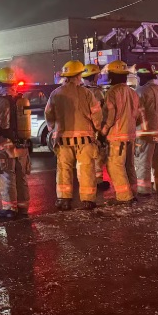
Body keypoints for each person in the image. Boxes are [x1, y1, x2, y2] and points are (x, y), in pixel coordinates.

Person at [45, 60, 103, 211]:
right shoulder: (86, 93)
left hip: (63, 139)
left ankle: (64, 199)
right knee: (86, 169)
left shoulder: (56, 93)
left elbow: (48, 114)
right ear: (78, 75)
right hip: (85, 140)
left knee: (64, 169)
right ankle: (88, 200)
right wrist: (97, 129)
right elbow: (96, 114)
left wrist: (53, 128)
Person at [0, 67, 30, 220]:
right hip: (22, 146)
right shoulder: (22, 100)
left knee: (6, 177)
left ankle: (9, 208)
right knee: (21, 177)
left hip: (4, 146)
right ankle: (23, 207)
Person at [99, 60, 142, 206]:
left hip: (117, 137)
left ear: (112, 76)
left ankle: (125, 197)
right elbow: (138, 116)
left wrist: (103, 132)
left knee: (115, 166)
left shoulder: (112, 93)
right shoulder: (133, 92)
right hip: (130, 135)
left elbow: (110, 117)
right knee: (129, 165)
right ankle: (133, 193)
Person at [134, 63, 158, 196]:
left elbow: (135, 114)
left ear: (141, 76)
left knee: (143, 161)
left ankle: (144, 189)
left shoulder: (139, 92)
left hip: (144, 134)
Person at [82, 64, 110, 191]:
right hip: (93, 129)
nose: (98, 77)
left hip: (81, 129)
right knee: (97, 155)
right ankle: (98, 182)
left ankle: (87, 182)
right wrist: (101, 130)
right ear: (93, 77)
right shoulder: (96, 92)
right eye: (97, 75)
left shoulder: (80, 91)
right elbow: (100, 113)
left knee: (84, 159)